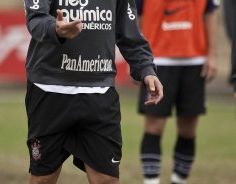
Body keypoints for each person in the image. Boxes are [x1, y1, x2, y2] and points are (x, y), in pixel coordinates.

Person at [23, 0, 163, 183]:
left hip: (100, 92)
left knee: (107, 179)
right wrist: (55, 28)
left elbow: (129, 34)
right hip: (49, 90)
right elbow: (36, 19)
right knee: (44, 178)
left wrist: (146, 69)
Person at [135, 0, 219, 184]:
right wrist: (137, 59)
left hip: (194, 60)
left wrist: (212, 55)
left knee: (188, 128)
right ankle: (151, 181)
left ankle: (179, 180)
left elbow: (210, 14)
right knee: (154, 125)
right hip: (157, 61)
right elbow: (136, 18)